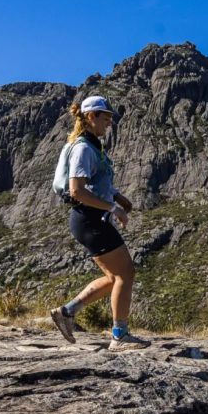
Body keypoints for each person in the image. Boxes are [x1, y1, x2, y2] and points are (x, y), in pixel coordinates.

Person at [50, 95, 150, 351]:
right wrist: (113, 207)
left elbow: (97, 183)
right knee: (125, 273)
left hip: (90, 219)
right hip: (89, 218)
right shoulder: (83, 148)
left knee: (114, 276)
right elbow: (77, 191)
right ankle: (120, 336)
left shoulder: (92, 146)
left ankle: (67, 312)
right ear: (91, 117)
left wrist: (117, 196)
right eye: (106, 118)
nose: (109, 124)